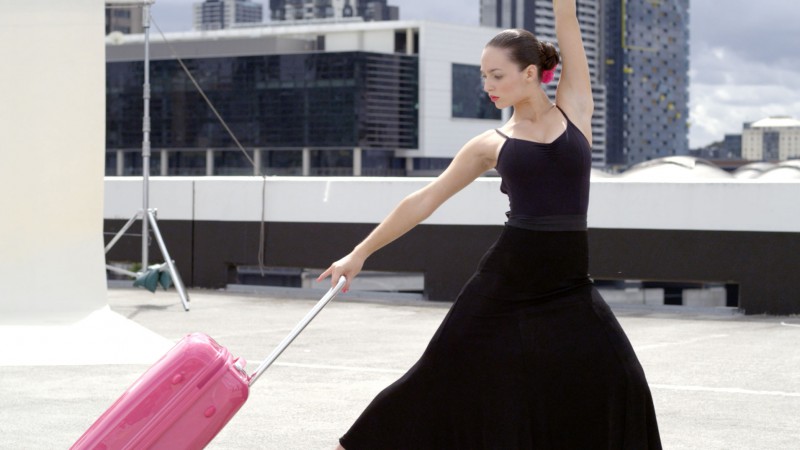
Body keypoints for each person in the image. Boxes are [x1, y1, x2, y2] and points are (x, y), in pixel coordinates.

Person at [318, 1, 662, 448]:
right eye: (484, 76)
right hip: (504, 281)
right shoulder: (489, 144)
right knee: (439, 373)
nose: (487, 86)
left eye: (496, 75)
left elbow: (567, 19)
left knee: (620, 378)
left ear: (531, 73)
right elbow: (424, 200)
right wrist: (358, 253)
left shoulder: (574, 109)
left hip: (570, 285)